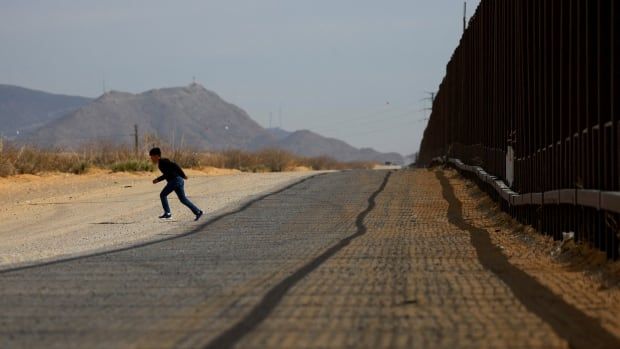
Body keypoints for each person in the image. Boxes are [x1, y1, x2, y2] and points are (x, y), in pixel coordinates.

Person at [149, 147, 203, 221]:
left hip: (175, 181)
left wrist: (158, 179)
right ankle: (198, 212)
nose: (151, 159)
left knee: (163, 195)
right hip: (178, 180)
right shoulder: (162, 162)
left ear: (157, 156)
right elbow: (174, 167)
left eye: (151, 157)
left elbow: (172, 169)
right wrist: (182, 176)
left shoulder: (163, 162)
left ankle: (168, 213)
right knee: (183, 199)